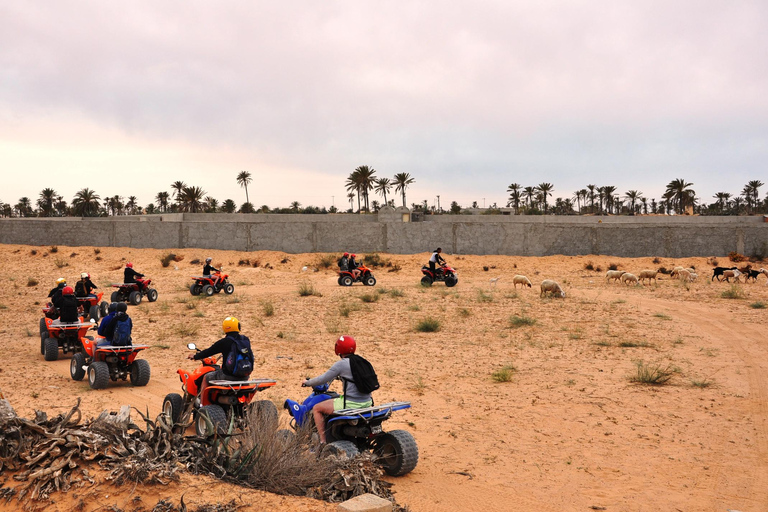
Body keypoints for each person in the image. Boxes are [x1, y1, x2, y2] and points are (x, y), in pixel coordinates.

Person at [302, 335, 373, 444]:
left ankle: (322, 441)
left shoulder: (341, 364)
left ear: (339, 349)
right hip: (368, 402)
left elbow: (322, 379)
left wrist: (308, 383)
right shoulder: (362, 361)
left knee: (317, 408)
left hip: (351, 404)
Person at [188, 316, 253, 403]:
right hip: (245, 376)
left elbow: (209, 351)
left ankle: (203, 404)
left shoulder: (225, 342)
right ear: (238, 326)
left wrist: (195, 356)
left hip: (228, 376)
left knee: (206, 377)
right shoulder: (245, 340)